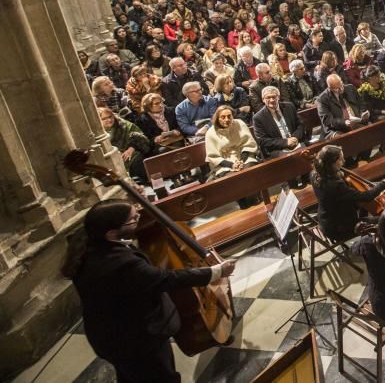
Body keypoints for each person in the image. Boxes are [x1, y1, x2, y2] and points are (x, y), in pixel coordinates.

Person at [62, 199, 236, 383]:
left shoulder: (92, 244)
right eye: (132, 218)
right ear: (112, 233)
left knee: (131, 377)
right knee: (163, 378)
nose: (138, 217)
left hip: (111, 335)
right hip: (135, 340)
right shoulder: (120, 264)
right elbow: (166, 279)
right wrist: (216, 271)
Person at [310, 144, 385, 241]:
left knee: (362, 206)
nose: (344, 161)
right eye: (341, 159)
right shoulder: (335, 185)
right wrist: (383, 183)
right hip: (339, 229)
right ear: (332, 163)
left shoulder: (315, 174)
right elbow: (367, 197)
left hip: (326, 220)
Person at [99, 107, 152, 184]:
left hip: (130, 152)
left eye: (110, 117)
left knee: (136, 159)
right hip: (111, 158)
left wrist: (132, 148)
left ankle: (145, 181)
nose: (109, 120)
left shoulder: (123, 124)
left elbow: (139, 135)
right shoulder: (99, 133)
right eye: (104, 119)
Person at [204, 105, 259, 179]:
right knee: (234, 179)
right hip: (225, 164)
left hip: (244, 158)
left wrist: (242, 160)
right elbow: (213, 157)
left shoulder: (239, 123)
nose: (227, 119)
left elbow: (248, 144)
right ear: (217, 119)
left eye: (229, 116)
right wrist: (231, 165)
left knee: (250, 172)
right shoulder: (210, 133)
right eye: (223, 117)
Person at [252, 85, 306, 158]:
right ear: (263, 99)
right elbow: (263, 140)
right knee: (290, 158)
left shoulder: (289, 106)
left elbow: (300, 124)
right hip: (277, 149)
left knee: (305, 152)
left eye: (274, 97)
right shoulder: (258, 117)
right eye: (268, 97)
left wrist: (295, 138)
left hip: (296, 142)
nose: (271, 100)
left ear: (278, 97)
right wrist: (286, 142)